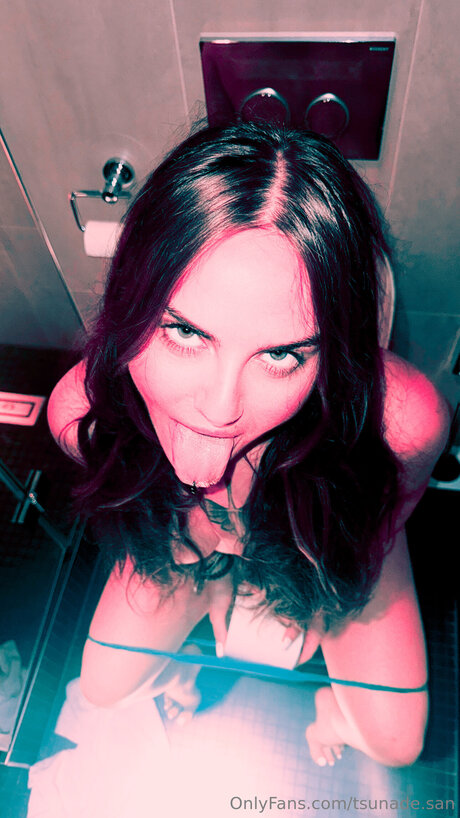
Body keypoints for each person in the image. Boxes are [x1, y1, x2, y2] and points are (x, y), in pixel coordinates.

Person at [47, 121, 450, 769]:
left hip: (327, 523)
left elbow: (377, 532)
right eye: (184, 331)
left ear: (332, 351)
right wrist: (199, 549)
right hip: (193, 534)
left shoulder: (404, 421)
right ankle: (198, 629)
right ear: (129, 303)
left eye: (282, 354)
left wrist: (317, 589)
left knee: (397, 745)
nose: (220, 408)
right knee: (102, 687)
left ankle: (327, 708)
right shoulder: (81, 412)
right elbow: (139, 515)